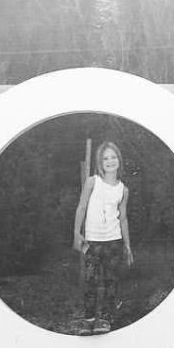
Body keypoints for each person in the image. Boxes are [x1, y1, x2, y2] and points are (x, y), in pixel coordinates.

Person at [73, 141, 132, 334]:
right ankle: (88, 319)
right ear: (100, 162)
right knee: (90, 280)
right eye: (105, 158)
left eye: (113, 157)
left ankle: (104, 319)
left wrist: (128, 246)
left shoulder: (123, 190)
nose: (109, 161)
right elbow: (81, 207)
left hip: (114, 241)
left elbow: (123, 218)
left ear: (119, 160)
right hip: (93, 241)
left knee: (110, 280)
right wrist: (76, 234)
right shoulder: (92, 182)